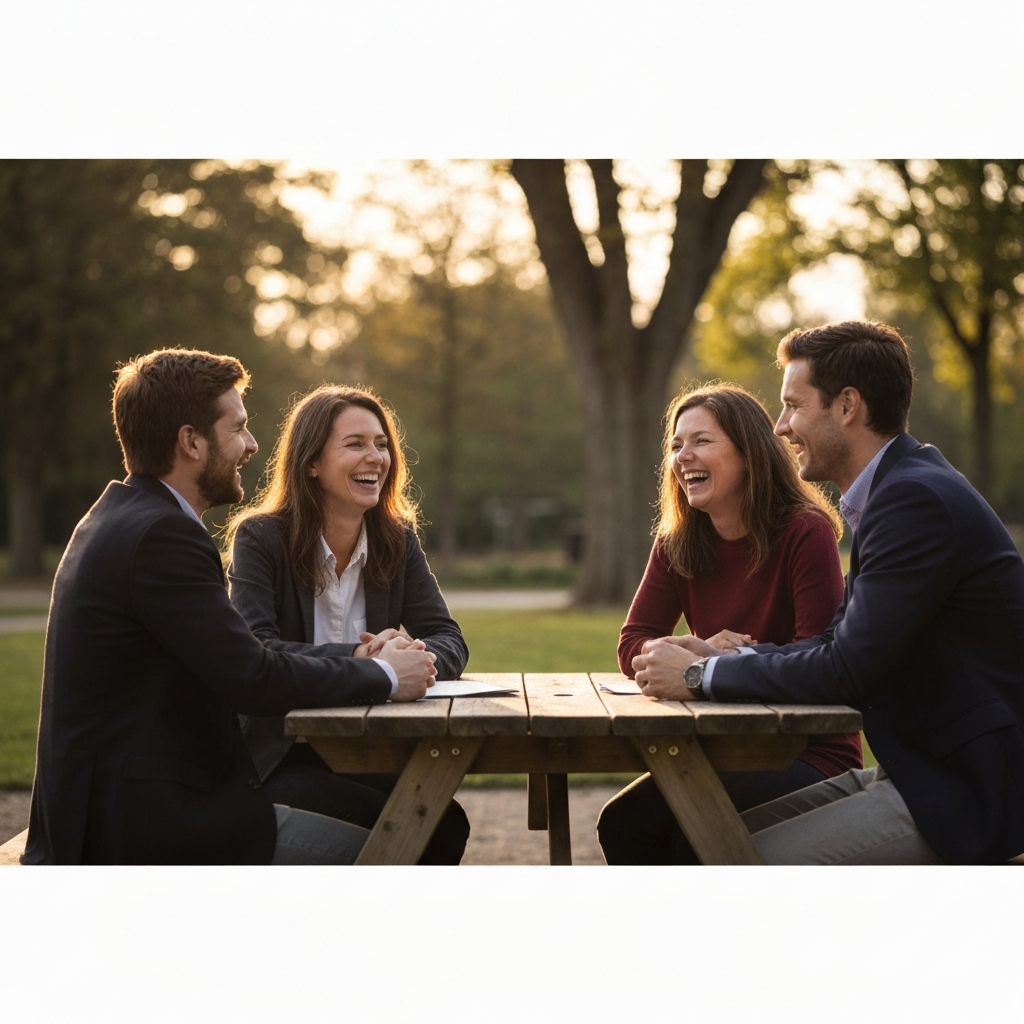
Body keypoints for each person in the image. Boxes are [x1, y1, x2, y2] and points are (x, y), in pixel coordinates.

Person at [22, 349, 438, 865]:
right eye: (238, 428)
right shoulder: (161, 536)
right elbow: (254, 676)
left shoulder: (127, 515)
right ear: (191, 442)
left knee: (421, 821)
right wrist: (383, 673)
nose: (252, 444)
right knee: (408, 843)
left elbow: (238, 665)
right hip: (144, 818)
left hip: (140, 796)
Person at [633, 320, 1024, 864]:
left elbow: (846, 670)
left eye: (794, 405)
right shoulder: (898, 491)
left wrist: (701, 675)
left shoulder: (913, 502)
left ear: (846, 407)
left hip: (969, 790)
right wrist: (727, 655)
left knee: (733, 865)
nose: (782, 425)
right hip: (917, 770)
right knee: (691, 841)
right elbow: (837, 643)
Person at [598, 383, 859, 864]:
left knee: (680, 830)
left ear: (749, 452)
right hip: (718, 749)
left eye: (701, 441)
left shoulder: (805, 531)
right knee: (624, 821)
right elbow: (631, 643)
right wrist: (692, 645)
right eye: (676, 445)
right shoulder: (676, 543)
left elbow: (820, 652)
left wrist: (720, 661)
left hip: (805, 752)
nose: (683, 456)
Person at [224, 385, 470, 865]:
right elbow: (259, 650)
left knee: (445, 820)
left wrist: (413, 653)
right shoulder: (260, 537)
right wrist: (368, 662)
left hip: (369, 748)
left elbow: (449, 638)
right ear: (311, 462)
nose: (375, 457)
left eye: (381, 444)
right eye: (355, 444)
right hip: (279, 756)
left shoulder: (396, 539)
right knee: (423, 823)